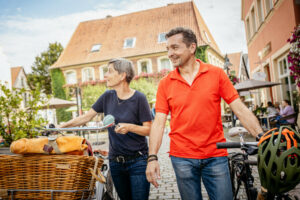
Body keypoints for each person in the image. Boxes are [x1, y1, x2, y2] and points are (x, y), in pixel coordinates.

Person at [145, 27, 263, 200]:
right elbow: (159, 121)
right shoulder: (165, 83)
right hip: (182, 157)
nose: (170, 54)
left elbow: (239, 107)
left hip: (215, 155)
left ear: (192, 47)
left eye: (175, 48)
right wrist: (152, 157)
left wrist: (261, 136)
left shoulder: (216, 74)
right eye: (168, 49)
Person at [59, 58, 153, 200]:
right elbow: (86, 117)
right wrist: (61, 126)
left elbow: (149, 129)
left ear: (122, 75)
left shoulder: (139, 98)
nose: (105, 76)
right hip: (115, 163)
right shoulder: (107, 96)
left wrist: (130, 127)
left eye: (109, 71)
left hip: (138, 161)